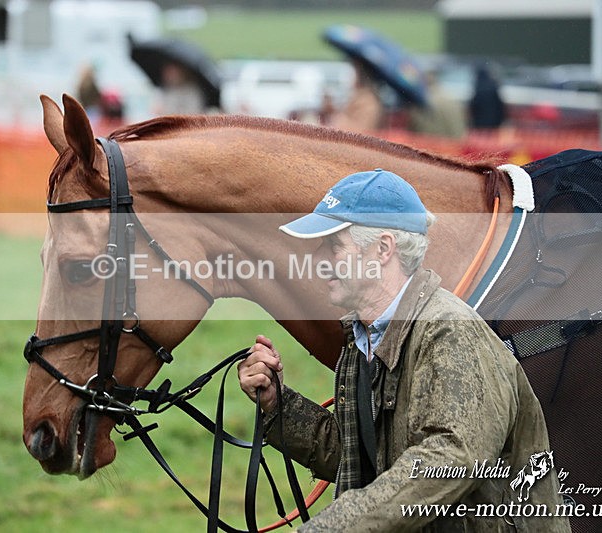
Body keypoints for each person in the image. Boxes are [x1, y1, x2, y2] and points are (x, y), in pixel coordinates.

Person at [237, 170, 569, 531]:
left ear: (383, 249)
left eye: (334, 245)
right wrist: (278, 404)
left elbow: (452, 460)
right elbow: (360, 459)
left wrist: (329, 527)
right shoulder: (363, 338)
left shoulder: (449, 331)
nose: (319, 259)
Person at [408, 71, 467, 139]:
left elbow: (415, 130)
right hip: (456, 143)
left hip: (429, 142)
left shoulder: (420, 102)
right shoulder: (453, 99)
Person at [330, 60, 384, 134]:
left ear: (361, 76)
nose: (349, 76)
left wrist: (338, 119)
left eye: (354, 72)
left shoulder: (368, 101)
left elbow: (362, 131)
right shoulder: (359, 97)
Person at [468, 64, 507, 129]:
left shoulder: (478, 88)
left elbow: (474, 106)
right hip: (494, 122)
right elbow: (500, 106)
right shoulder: (493, 86)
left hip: (480, 123)